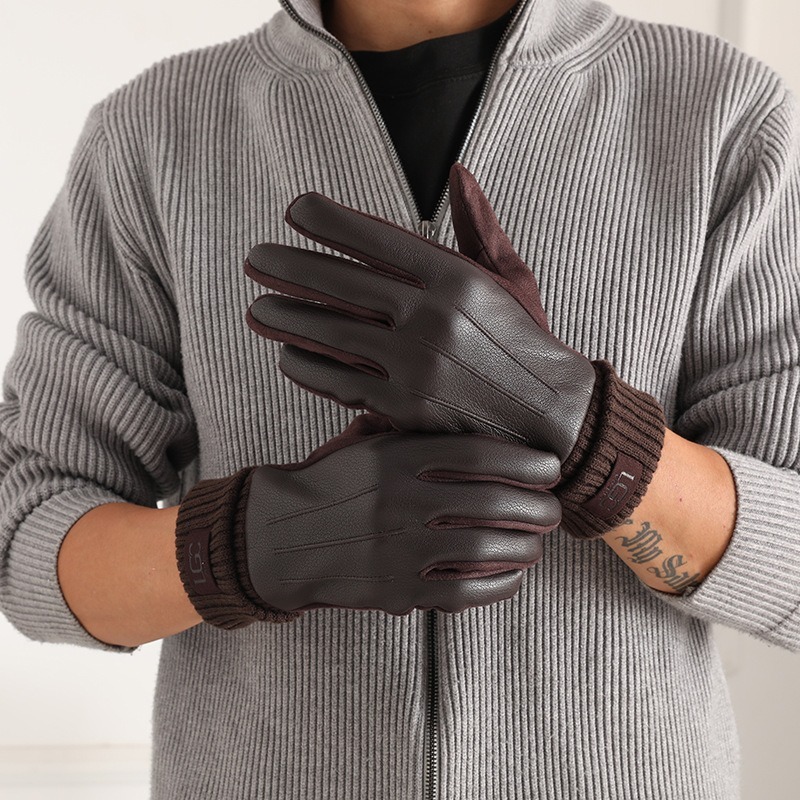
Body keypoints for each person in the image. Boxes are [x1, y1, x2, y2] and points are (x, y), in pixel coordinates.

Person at [0, 0, 798, 796]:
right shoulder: (152, 135)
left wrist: (591, 433)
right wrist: (249, 546)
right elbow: (26, 538)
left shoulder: (722, 114)